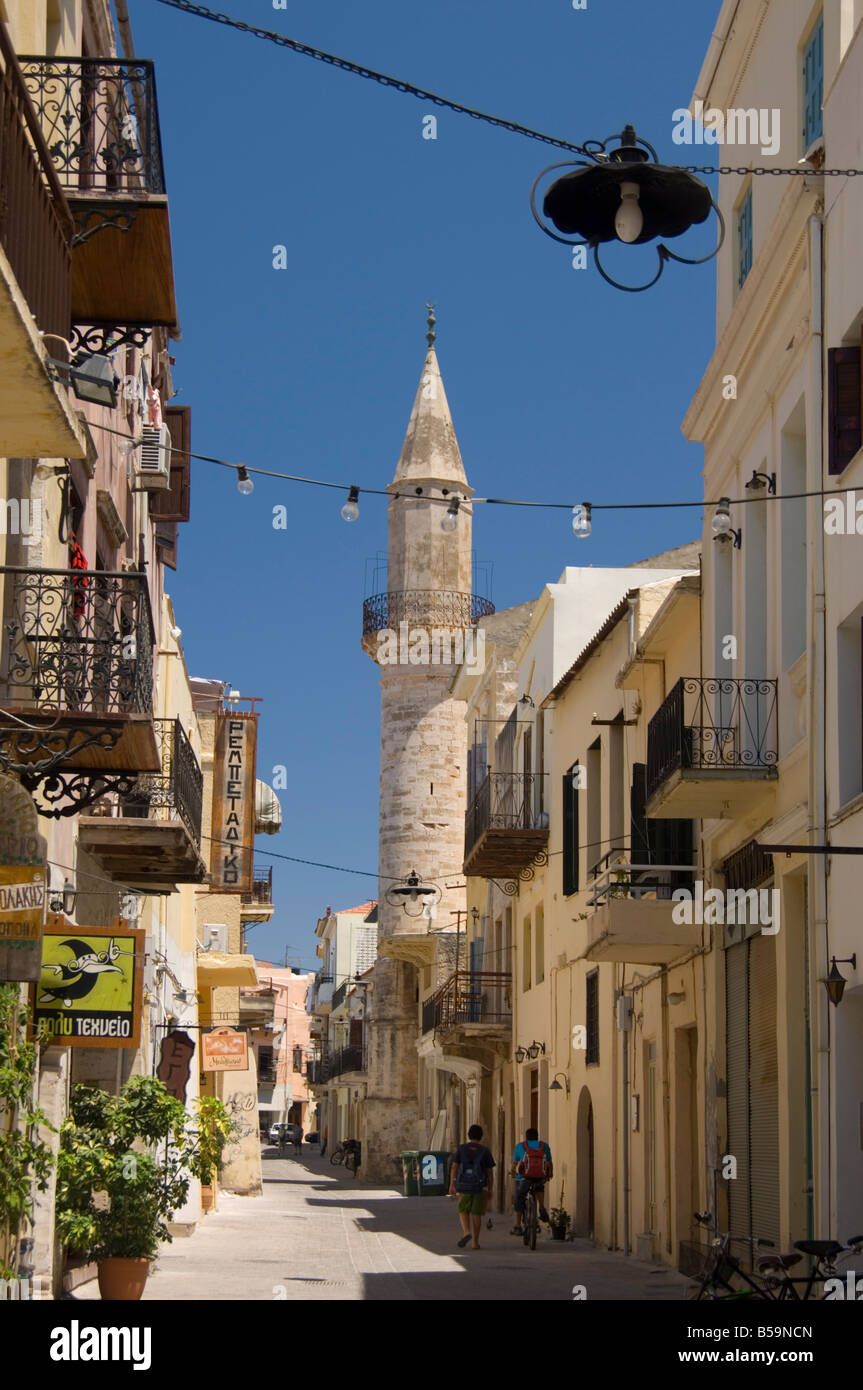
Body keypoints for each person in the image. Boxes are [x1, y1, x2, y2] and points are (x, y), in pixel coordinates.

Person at [449, 1124, 496, 1250]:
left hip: (464, 1185)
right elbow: (490, 1172)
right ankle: (475, 1242)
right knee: (476, 1213)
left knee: (463, 1210)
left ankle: (466, 1232)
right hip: (479, 1186)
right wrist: (490, 1189)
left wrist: (452, 1185)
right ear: (481, 1136)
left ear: (468, 1135)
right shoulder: (485, 1151)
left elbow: (454, 1166)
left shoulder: (462, 1148)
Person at [510, 1127, 552, 1235]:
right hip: (539, 1177)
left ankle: (518, 1226)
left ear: (526, 1137)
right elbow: (549, 1163)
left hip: (523, 1178)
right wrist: (549, 1174)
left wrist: (513, 1172)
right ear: (537, 1137)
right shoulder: (544, 1145)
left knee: (519, 1199)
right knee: (539, 1186)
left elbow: (514, 1164)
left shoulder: (520, 1146)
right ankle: (541, 1207)